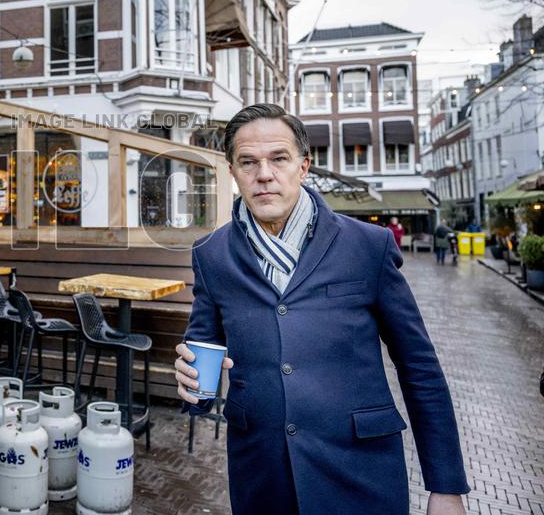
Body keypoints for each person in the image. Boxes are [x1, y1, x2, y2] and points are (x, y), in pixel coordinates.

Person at [174, 104, 467, 515]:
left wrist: (446, 486)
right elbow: (200, 366)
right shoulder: (211, 255)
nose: (264, 174)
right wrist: (191, 385)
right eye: (248, 162)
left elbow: (419, 366)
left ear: (303, 166)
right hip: (261, 480)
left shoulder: (368, 246)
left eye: (279, 158)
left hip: (361, 476)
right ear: (232, 172)